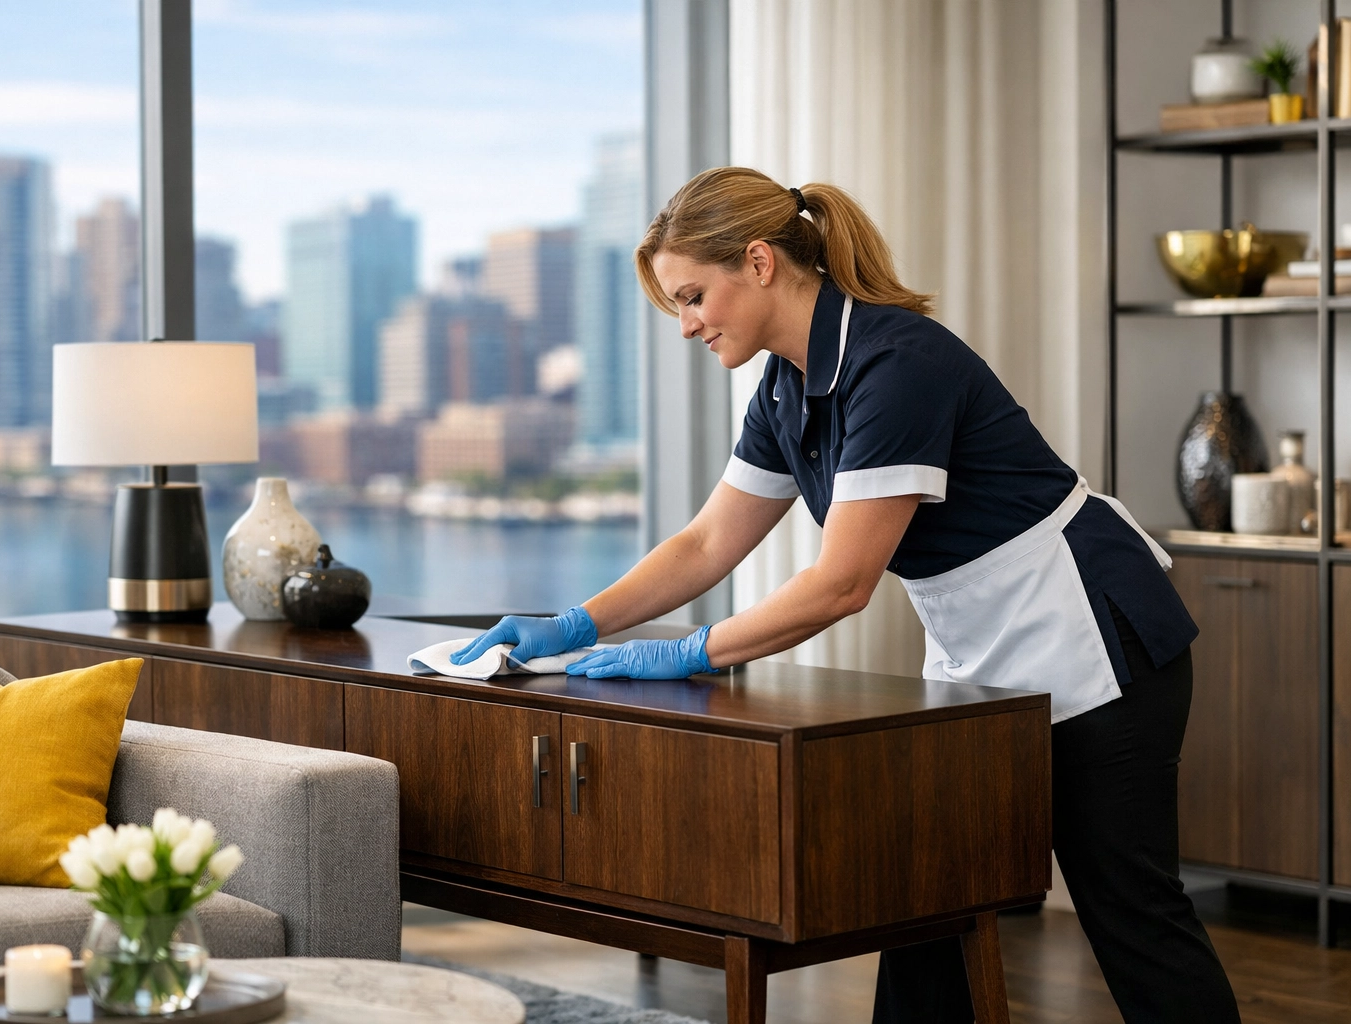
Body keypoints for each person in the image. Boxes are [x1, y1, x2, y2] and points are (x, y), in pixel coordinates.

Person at [450, 166, 1239, 1023]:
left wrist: (689, 652)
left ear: (757, 263)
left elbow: (841, 585)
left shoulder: (896, 362)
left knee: (1130, 913)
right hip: (987, 649)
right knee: (924, 906)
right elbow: (708, 542)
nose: (686, 326)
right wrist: (572, 624)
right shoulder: (785, 387)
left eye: (692, 297)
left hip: (1097, 634)